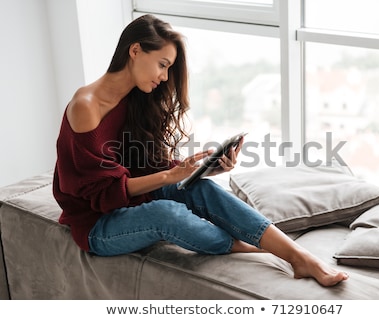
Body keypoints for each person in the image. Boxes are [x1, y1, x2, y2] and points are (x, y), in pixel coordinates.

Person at [53, 14, 348, 287]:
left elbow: (143, 164)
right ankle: (242, 243)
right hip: (96, 224)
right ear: (135, 51)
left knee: (200, 188)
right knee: (165, 212)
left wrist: (204, 169)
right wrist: (168, 177)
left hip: (128, 201)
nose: (165, 77)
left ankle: (300, 257)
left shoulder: (135, 97)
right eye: (163, 64)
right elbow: (103, 193)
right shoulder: (86, 106)